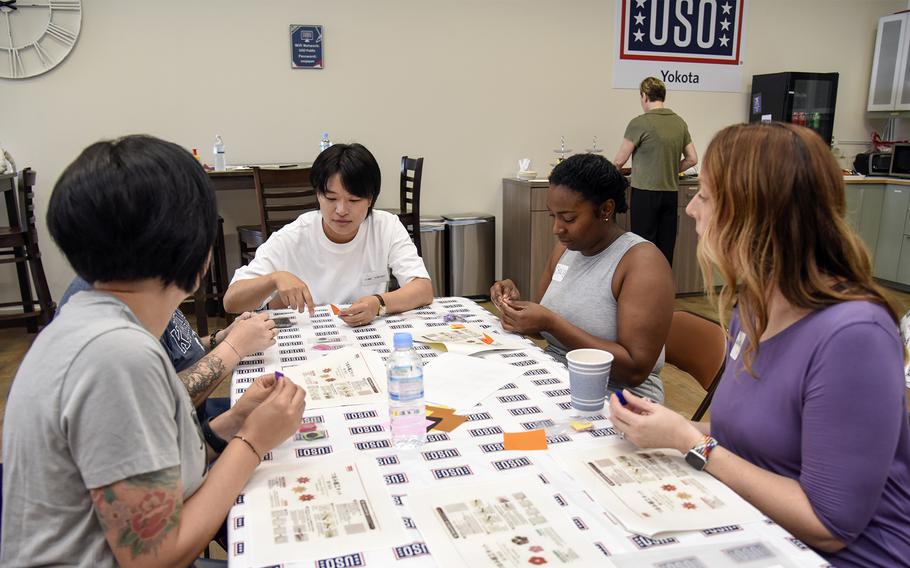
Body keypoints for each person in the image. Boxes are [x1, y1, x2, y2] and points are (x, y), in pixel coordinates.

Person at [608, 123, 910, 567]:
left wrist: (693, 443)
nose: (690, 208)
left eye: (706, 196)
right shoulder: (753, 303)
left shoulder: (854, 336)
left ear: (756, 215)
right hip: (755, 522)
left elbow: (829, 525)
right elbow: (754, 442)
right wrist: (668, 427)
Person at [1, 135, 307, 567]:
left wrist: (236, 420)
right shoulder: (116, 355)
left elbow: (155, 471)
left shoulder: (96, 322)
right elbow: (154, 558)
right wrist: (253, 440)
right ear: (197, 251)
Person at [490, 153, 674, 403]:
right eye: (552, 216)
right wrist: (516, 309)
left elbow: (634, 370)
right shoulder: (565, 250)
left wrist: (550, 323)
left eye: (569, 218)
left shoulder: (641, 262)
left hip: (617, 398)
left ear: (606, 209)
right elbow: (542, 329)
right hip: (558, 377)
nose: (557, 229)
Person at [223, 142, 432, 326]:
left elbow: (423, 289)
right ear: (318, 195)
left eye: (353, 200)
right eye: (331, 199)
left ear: (370, 199)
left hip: (365, 336)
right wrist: (274, 279)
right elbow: (231, 301)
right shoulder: (294, 236)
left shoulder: (385, 226)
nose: (341, 210)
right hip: (311, 339)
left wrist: (379, 302)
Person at [57, 276, 276, 407]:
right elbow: (161, 403)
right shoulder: (108, 309)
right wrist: (235, 347)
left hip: (192, 429)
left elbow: (173, 352)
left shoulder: (138, 280)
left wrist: (220, 338)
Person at [613, 76, 698, 265]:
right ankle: (664, 291)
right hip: (670, 194)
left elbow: (619, 161)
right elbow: (693, 159)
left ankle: (643, 291)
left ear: (644, 96)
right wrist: (668, 169)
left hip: (645, 194)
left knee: (643, 247)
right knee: (666, 247)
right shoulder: (679, 122)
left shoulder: (639, 123)